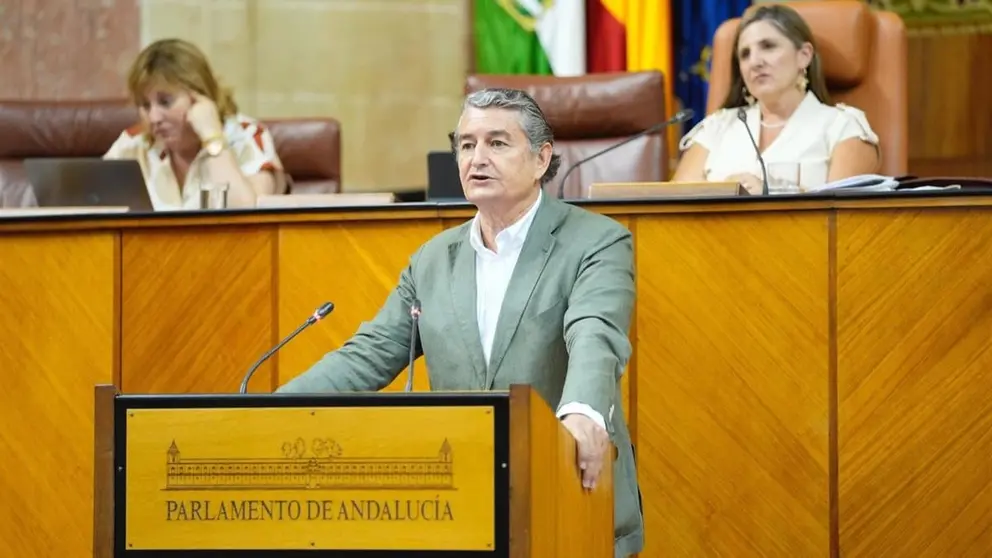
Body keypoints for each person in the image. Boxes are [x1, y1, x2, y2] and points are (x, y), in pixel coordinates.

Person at [276, 88, 644, 557]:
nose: (477, 158)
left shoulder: (597, 241)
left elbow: (596, 334)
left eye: (497, 143)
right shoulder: (433, 259)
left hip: (568, 492)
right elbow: (368, 355)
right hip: (461, 505)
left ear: (541, 158)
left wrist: (583, 412)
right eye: (467, 145)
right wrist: (270, 410)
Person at [673, 3, 881, 194]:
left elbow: (844, 214)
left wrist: (769, 192)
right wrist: (725, 192)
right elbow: (676, 206)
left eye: (768, 46)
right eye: (745, 54)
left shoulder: (843, 126)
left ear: (804, 55)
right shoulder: (716, 126)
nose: (755, 62)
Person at [104, 38, 286, 210]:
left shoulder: (247, 135)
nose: (153, 118)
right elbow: (93, 206)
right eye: (145, 105)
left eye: (165, 102)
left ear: (200, 97)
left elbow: (246, 217)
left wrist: (212, 138)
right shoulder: (133, 145)